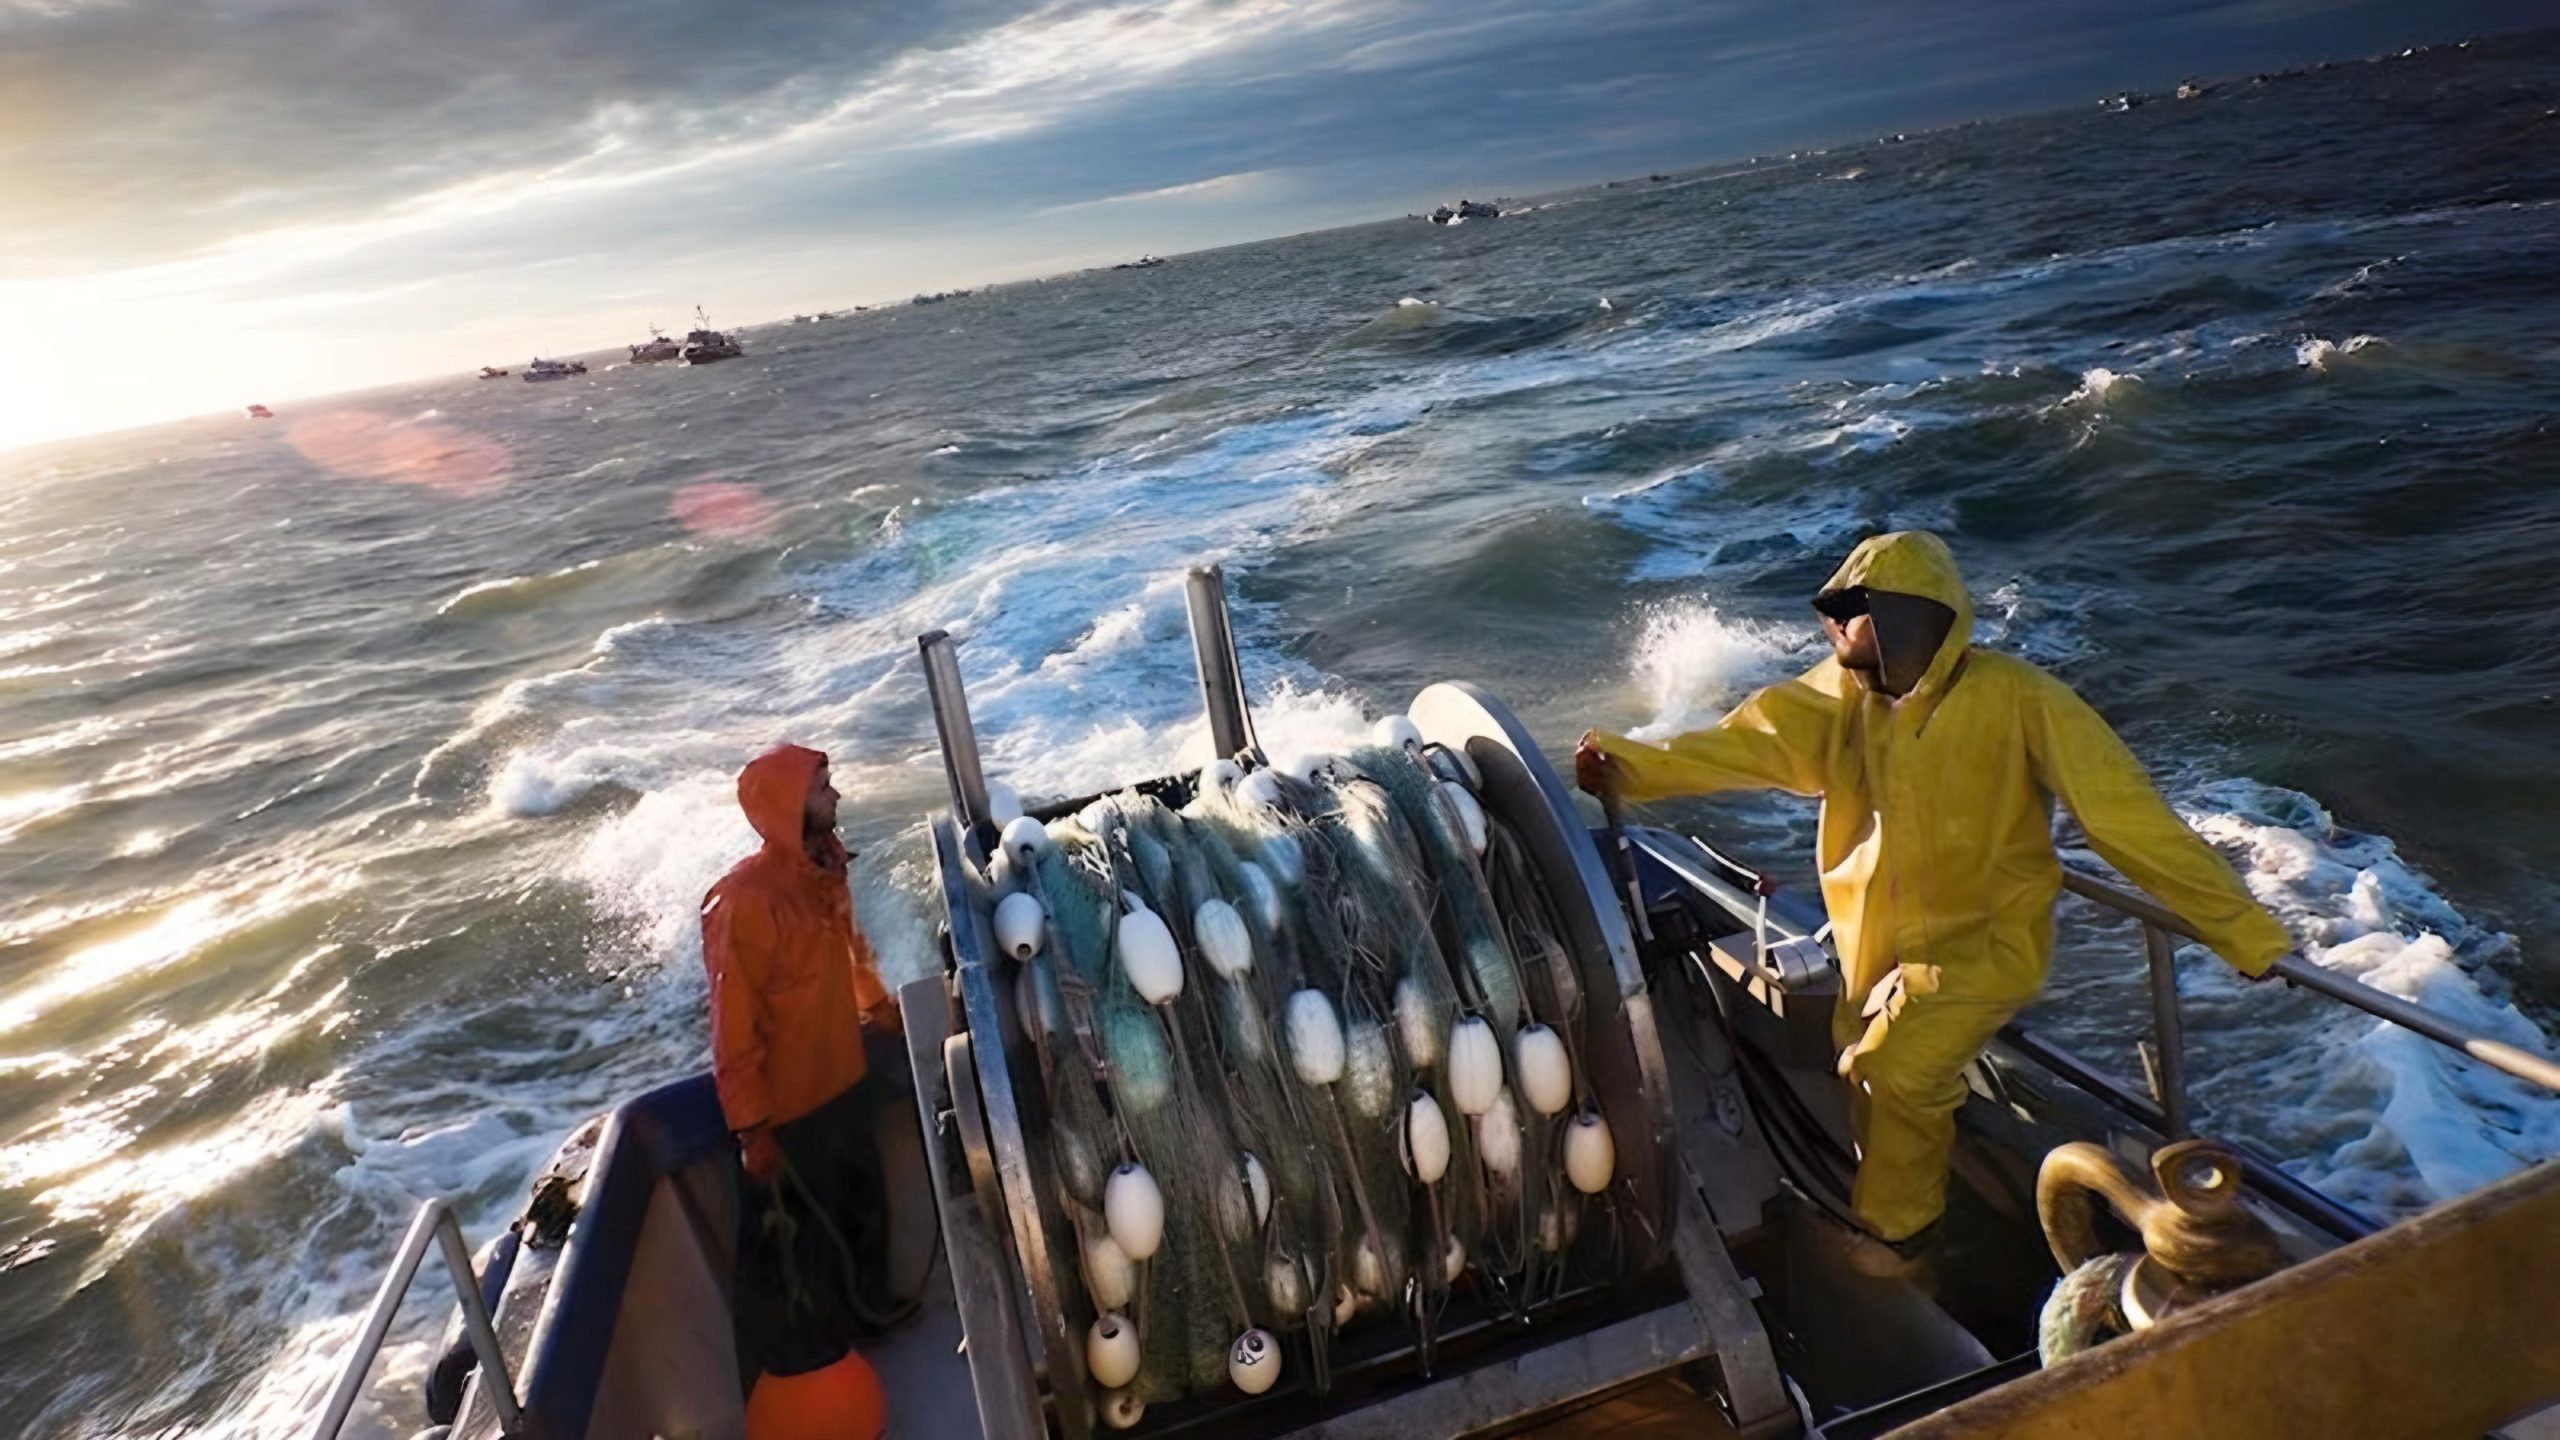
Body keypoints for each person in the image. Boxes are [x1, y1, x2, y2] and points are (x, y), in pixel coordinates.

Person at [1575, 531, 2289, 1275]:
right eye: (1840, 614)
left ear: (1914, 619)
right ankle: (1908, 1207)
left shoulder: (2021, 700)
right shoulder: (1837, 700)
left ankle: (1903, 1241)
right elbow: (1738, 746)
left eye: (1860, 613)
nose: (1843, 630)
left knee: (1896, 1070)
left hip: (1984, 946)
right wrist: (1625, 767)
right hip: (1872, 944)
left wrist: (2244, 934)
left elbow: (2126, 819)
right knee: (1861, 1069)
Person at [701, 742, 905, 1383]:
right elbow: (731, 1026)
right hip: (787, 1112)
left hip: (843, 1081)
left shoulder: (826, 869)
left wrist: (879, 1006)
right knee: (795, 1256)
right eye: (823, 787)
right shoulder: (744, 901)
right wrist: (751, 1127)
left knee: (864, 1212)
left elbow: (852, 950)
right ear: (791, 806)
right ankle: (801, 1378)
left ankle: (871, 1317)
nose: (836, 796)